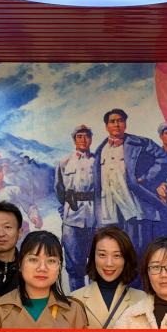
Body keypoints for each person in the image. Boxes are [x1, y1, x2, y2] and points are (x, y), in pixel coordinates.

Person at [93, 108, 167, 259]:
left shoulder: (141, 143)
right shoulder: (100, 150)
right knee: (115, 251)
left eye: (120, 121)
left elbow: (165, 159)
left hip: (133, 206)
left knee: (137, 249)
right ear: (106, 126)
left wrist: (147, 179)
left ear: (125, 124)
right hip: (109, 209)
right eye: (112, 121)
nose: (117, 124)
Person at [0, 231, 88, 328]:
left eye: (51, 261)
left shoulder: (74, 310)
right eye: (33, 260)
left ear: (59, 267)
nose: (42, 268)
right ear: (20, 264)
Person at [70, 226, 145, 328]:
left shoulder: (142, 299)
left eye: (117, 255)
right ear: (93, 257)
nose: (109, 263)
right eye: (102, 255)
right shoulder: (74, 299)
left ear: (126, 259)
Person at [55, 124, 98, 290]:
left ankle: (95, 299)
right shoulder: (64, 162)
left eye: (87, 136)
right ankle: (77, 300)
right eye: (79, 136)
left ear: (91, 139)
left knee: (96, 263)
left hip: (95, 218)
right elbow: (59, 189)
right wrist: (65, 211)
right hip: (72, 219)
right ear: (74, 140)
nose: (83, 140)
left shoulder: (97, 161)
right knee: (74, 265)